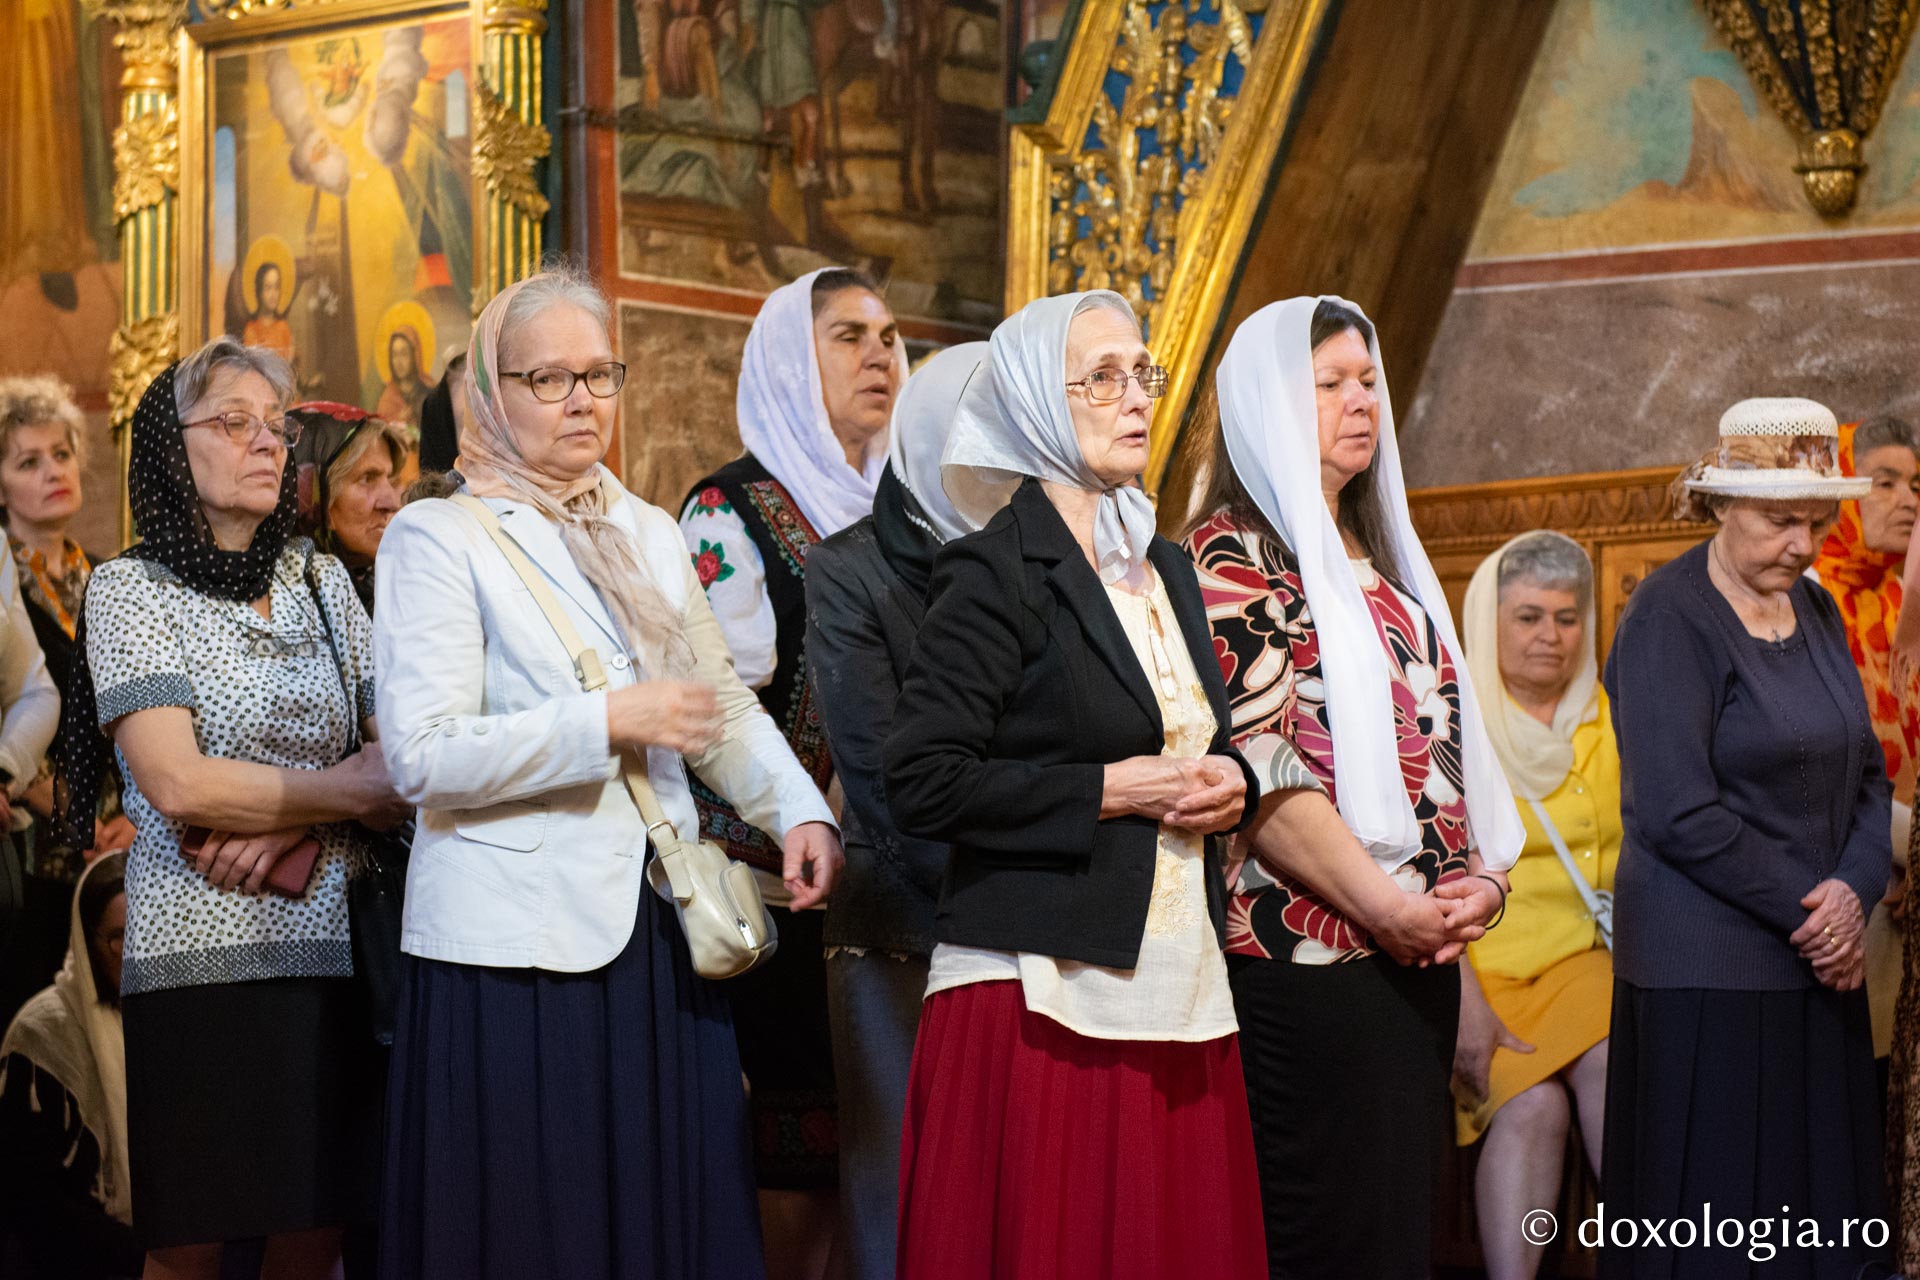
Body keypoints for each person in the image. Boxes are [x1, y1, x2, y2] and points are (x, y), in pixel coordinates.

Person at [374, 265, 842, 1280]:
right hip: (513, 949)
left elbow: (715, 700)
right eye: (552, 378)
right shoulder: (435, 535)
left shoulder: (644, 529)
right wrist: (607, 720)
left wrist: (801, 812)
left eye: (601, 373)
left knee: (663, 1225)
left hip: (658, 933)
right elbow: (422, 755)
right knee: (542, 1231)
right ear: (494, 393)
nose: (585, 398)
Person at [886, 290, 1266, 1280]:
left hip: (1175, 979)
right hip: (1039, 994)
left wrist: (1235, 785)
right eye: (1101, 375)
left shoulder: (1168, 569)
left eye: (1143, 371)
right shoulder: (993, 569)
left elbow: (1197, 738)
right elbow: (923, 782)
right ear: (1032, 402)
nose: (1134, 394)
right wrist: (1109, 788)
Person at [53, 336, 411, 1279]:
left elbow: (403, 756)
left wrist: (301, 818)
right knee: (192, 1245)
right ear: (173, 447)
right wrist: (348, 794)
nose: (267, 444)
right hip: (199, 964)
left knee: (314, 1232)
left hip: (338, 955)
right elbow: (178, 783)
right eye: (234, 423)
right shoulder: (131, 588)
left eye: (276, 426)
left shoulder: (322, 582)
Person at [1180, 296, 1520, 1280]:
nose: (1360, 400)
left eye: (1367, 379)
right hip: (1305, 960)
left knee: (1402, 1234)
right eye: (1328, 382)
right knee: (1330, 1235)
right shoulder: (1230, 561)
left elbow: (1451, 763)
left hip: (1416, 959)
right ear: (1267, 405)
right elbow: (1261, 769)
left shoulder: (1391, 571)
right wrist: (1389, 909)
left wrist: (1478, 889)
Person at [1602, 397, 1894, 1280]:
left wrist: (1853, 892)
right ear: (1723, 504)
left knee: (1823, 1229)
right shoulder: (1667, 616)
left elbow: (1869, 777)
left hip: (1817, 967)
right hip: (1710, 977)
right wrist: (1820, 914)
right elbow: (1675, 811)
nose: (1802, 545)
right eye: (1779, 520)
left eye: (1815, 521)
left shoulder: (1816, 610)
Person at [679, 266, 903, 1277]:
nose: (880, 354)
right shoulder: (730, 511)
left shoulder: (907, 509)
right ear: (787, 358)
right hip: (778, 899)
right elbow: (711, 712)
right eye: (849, 334)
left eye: (892, 337)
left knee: (881, 1161)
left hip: (893, 897)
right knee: (796, 1171)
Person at [804, 341, 1005, 1280]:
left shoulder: (1041, 554)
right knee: (900, 1195)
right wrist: (1013, 883)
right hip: (905, 922)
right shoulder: (848, 570)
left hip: (1032, 921)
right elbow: (884, 772)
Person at [1454, 532, 1619, 1280]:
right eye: (1526, 617)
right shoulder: (1450, 723)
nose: (1550, 636)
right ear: (1490, 623)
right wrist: (1465, 1002)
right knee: (1532, 1110)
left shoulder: (1611, 716)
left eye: (1566, 616)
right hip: (1481, 977)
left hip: (1588, 963)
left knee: (1616, 1062)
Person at [1812, 417, 1919, 1071]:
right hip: (1843, 876)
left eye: (1915, 484)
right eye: (1884, 482)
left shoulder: (1910, 601)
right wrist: (1902, 845)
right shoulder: (1803, 598)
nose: (1909, 499)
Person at [0, 376, 96, 1030]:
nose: (52, 471)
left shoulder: (112, 579)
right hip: (29, 845)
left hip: (116, 850)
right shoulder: (3, 578)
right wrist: (70, 814)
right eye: (28, 461)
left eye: (61, 453)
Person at [0, 851, 141, 1280]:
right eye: (118, 938)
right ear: (86, 940)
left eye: (145, 934)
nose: (134, 953)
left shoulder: (170, 1020)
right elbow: (31, 1198)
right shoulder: (42, 1033)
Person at [287, 401, 409, 614]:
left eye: (389, 478)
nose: (392, 503)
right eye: (367, 478)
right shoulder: (281, 607)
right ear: (311, 493)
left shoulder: (394, 588)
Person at [373, 326, 433, 430]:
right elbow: (383, 436)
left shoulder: (431, 392)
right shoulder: (387, 400)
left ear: (415, 355)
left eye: (404, 354)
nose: (398, 362)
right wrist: (400, 421)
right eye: (394, 355)